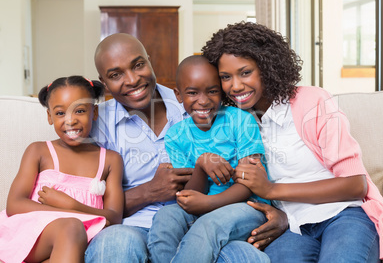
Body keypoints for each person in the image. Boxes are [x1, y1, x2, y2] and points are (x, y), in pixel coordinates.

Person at [202, 21, 383, 263]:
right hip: (292, 227)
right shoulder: (235, 124)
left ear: (267, 66)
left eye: (245, 72)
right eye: (225, 77)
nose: (235, 86)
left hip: (343, 214)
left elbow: (355, 184)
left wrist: (272, 189)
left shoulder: (311, 102)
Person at [86, 33, 288, 263]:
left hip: (214, 217)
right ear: (104, 82)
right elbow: (87, 203)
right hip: (135, 226)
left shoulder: (199, 100)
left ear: (149, 61)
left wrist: (284, 213)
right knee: (115, 245)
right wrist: (149, 192)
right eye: (116, 74)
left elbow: (254, 177)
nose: (132, 79)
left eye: (138, 65)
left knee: (243, 257)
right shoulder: (96, 123)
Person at [147, 55, 271, 263]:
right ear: (178, 95)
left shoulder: (240, 120)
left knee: (209, 226)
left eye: (212, 91)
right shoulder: (176, 135)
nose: (203, 100)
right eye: (193, 93)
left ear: (221, 92)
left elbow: (251, 184)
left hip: (248, 206)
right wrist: (201, 164)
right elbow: (192, 194)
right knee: (164, 218)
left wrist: (209, 204)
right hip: (202, 203)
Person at [0, 75, 124, 263]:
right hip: (31, 236)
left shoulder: (110, 160)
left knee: (72, 232)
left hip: (74, 246)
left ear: (95, 112)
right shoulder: (39, 151)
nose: (70, 120)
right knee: (72, 227)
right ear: (49, 116)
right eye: (60, 113)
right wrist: (70, 214)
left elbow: (114, 217)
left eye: (80, 111)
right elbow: (14, 204)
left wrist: (69, 204)